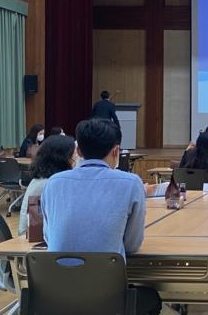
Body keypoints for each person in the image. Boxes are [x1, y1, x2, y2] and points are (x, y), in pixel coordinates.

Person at [41, 118, 162, 315]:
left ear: (78, 151)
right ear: (116, 151)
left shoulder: (54, 182)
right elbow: (132, 244)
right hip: (107, 295)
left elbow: (48, 237)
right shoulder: (131, 183)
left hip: (57, 295)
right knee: (151, 298)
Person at [19, 135, 76, 236]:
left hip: (33, 235)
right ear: (63, 158)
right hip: (34, 238)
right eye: (74, 154)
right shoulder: (50, 184)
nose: (76, 157)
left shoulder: (41, 179)